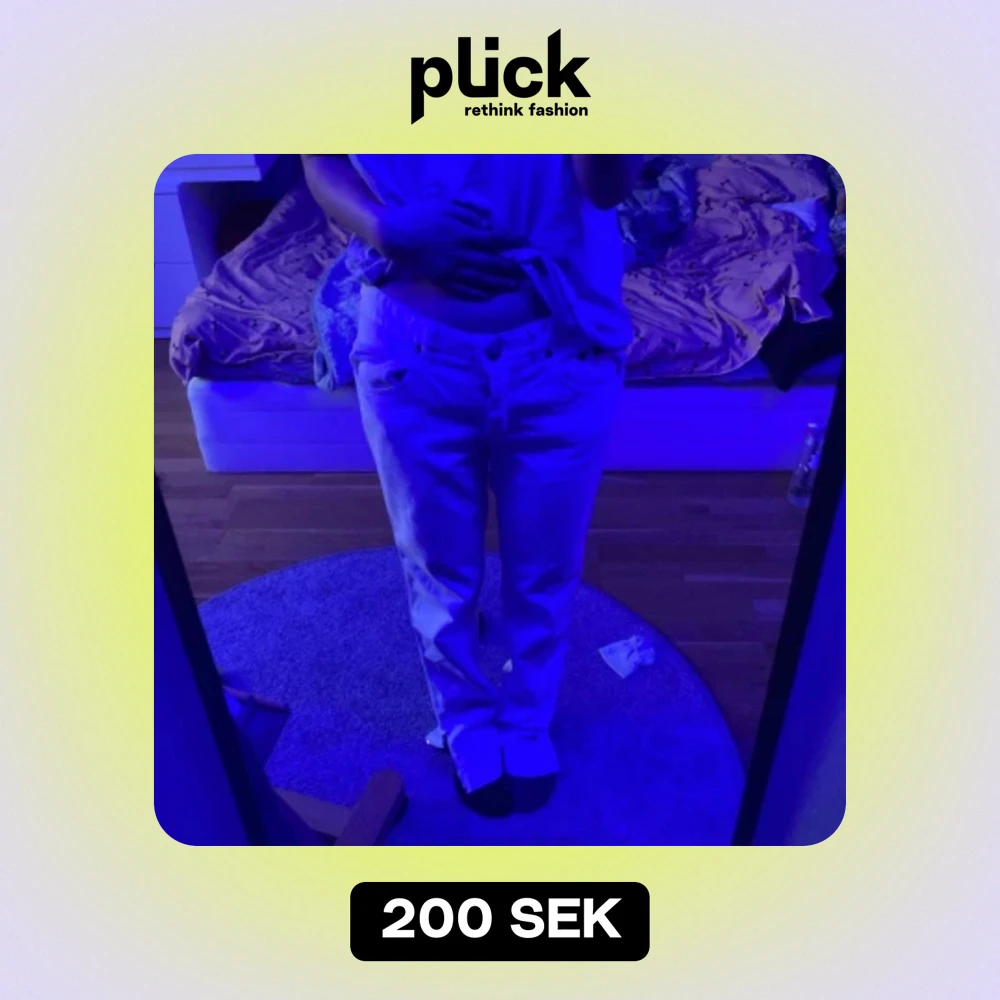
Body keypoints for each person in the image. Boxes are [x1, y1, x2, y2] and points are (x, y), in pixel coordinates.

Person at [302, 154, 641, 817]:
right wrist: (383, 228)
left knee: (545, 568)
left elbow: (609, 187)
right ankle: (462, 718)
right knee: (437, 568)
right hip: (410, 347)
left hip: (565, 343)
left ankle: (528, 718)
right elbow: (318, 152)